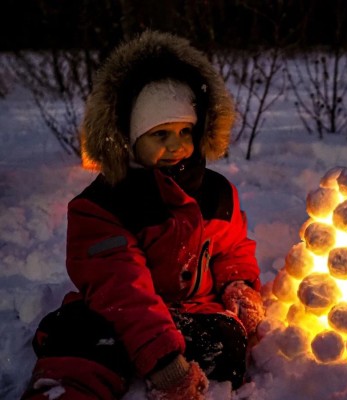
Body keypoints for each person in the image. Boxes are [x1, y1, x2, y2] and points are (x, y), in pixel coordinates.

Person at [21, 30, 264, 400]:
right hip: (120, 316)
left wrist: (237, 283)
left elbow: (233, 249)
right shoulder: (103, 205)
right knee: (80, 335)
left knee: (228, 338)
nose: (176, 146)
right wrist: (162, 358)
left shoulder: (217, 194)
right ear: (129, 138)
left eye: (185, 131)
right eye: (160, 134)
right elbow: (121, 286)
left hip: (190, 316)